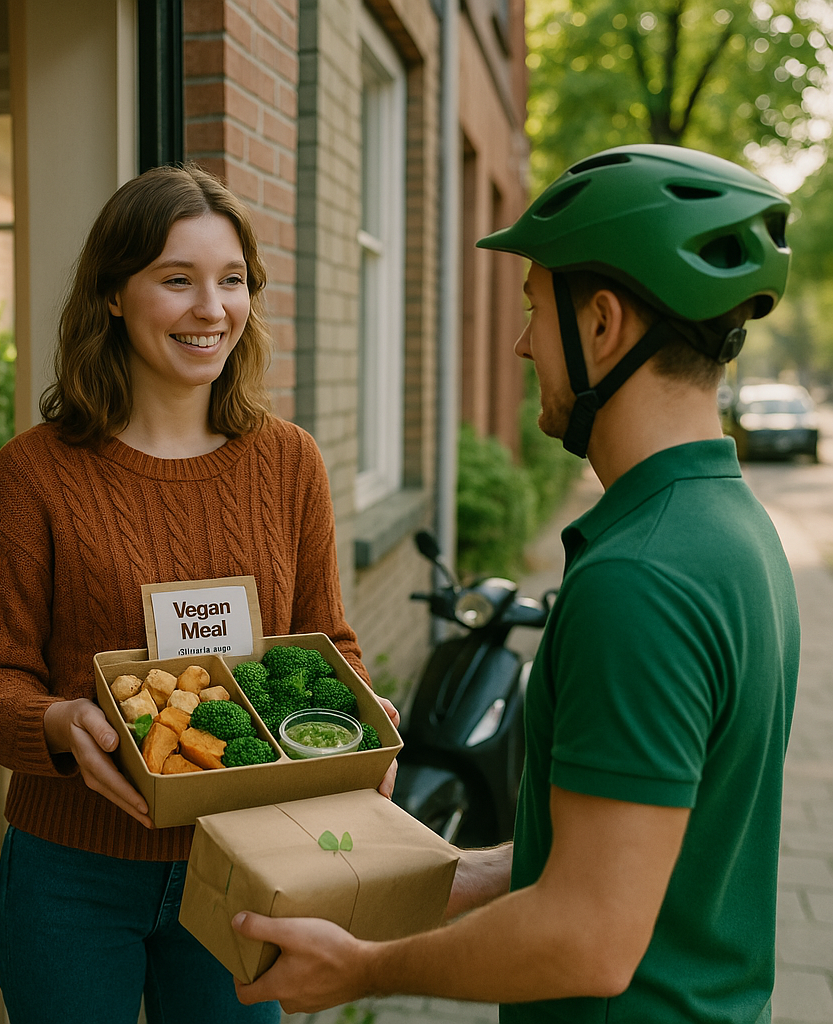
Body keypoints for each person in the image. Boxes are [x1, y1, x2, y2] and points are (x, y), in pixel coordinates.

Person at [232, 144, 800, 1023]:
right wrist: (431, 877)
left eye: (535, 306)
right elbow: (618, 845)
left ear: (603, 324)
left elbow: (585, 935)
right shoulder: (734, 529)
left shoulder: (638, 580)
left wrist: (364, 969)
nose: (522, 342)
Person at [0, 163, 397, 1024]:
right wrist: (60, 722)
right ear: (113, 295)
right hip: (72, 875)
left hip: (245, 861)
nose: (211, 309)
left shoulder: (290, 462)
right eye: (177, 279)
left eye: (232, 280)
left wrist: (355, 709)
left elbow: (327, 642)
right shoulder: (33, 474)